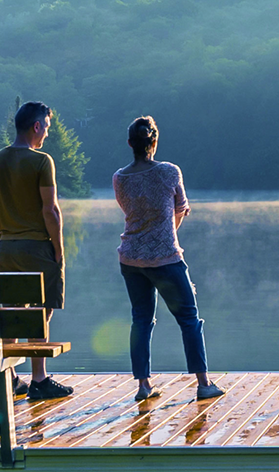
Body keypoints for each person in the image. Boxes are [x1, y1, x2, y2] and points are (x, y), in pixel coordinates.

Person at [112, 116, 222, 401]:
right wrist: (163, 235)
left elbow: (131, 213)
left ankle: (143, 386)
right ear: (154, 142)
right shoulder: (170, 172)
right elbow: (180, 210)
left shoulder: (119, 178)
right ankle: (203, 384)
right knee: (189, 319)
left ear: (130, 144)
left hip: (131, 259)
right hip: (166, 258)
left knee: (141, 320)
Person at [0, 101, 72, 400]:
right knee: (40, 312)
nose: (47, 133)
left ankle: (12, 377)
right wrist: (59, 249)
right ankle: (39, 379)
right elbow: (50, 211)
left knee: (14, 310)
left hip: (6, 249)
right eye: (46, 127)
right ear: (36, 126)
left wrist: (10, 201)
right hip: (37, 249)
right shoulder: (42, 161)